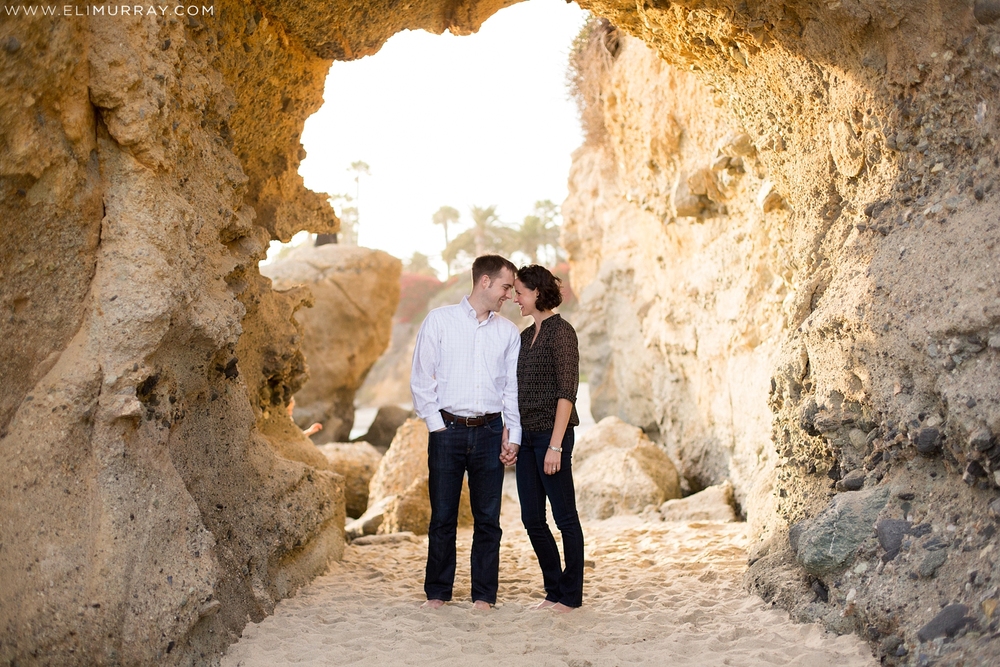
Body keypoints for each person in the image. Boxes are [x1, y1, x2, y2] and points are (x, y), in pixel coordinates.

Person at [410, 254, 522, 610]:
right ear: (485, 282)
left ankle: (483, 595)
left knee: (488, 518)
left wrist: (512, 434)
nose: (509, 294)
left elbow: (511, 390)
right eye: (506, 286)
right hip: (448, 430)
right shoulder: (439, 321)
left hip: (490, 431)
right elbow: (420, 378)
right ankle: (438, 593)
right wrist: (436, 426)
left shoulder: (507, 332)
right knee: (442, 516)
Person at [510, 264, 584, 613]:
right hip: (526, 439)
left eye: (520, 292)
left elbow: (567, 392)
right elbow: (515, 391)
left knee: (565, 517)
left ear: (537, 292)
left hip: (553, 437)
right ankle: (553, 590)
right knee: (531, 519)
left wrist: (555, 446)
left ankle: (571, 596)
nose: (515, 298)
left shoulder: (562, 333)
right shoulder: (525, 337)